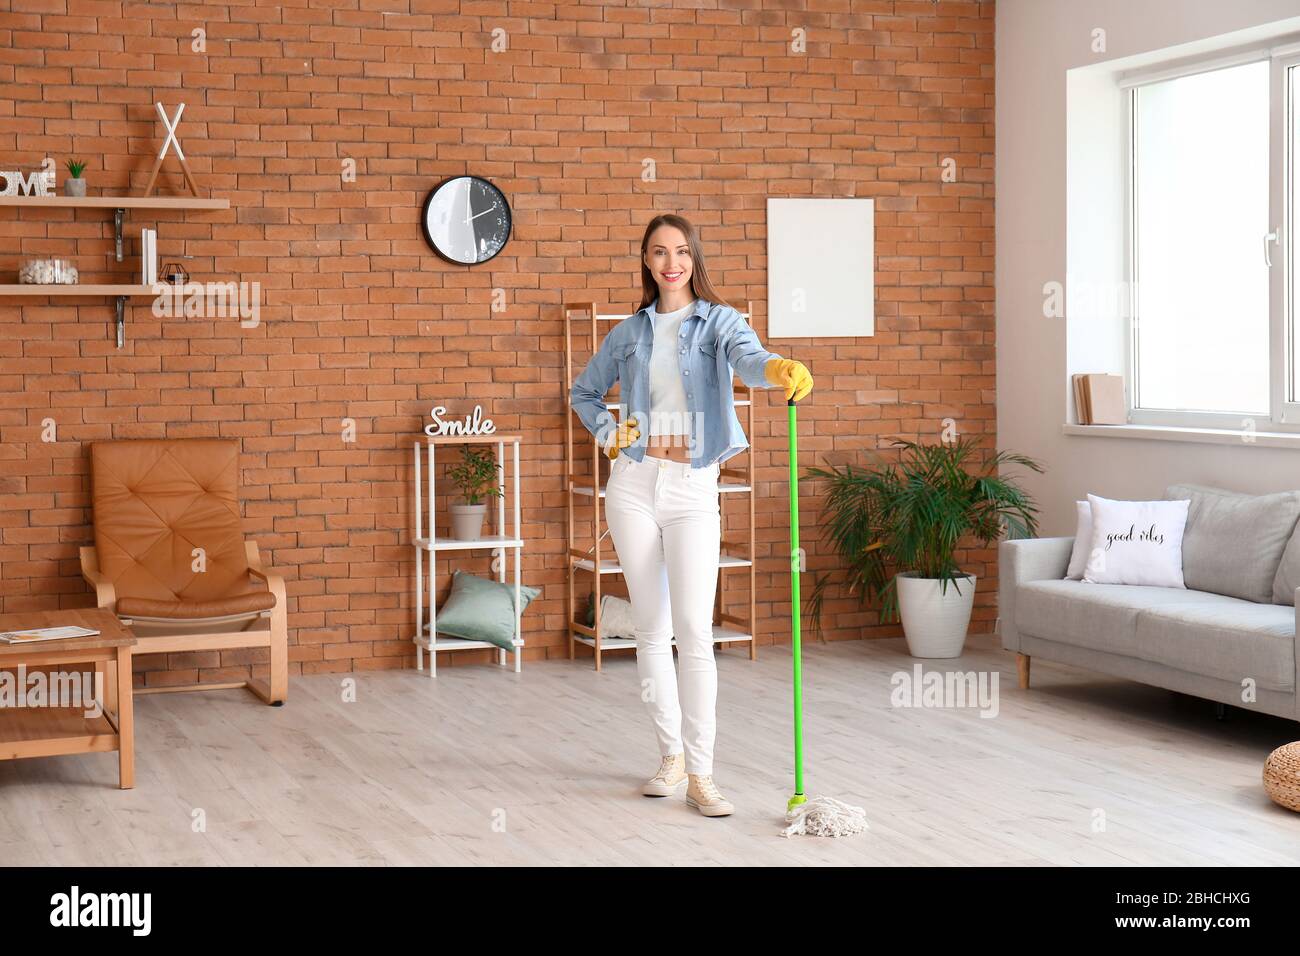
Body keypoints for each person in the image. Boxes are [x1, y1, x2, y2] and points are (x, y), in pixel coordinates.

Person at [570, 213, 813, 817]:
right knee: (651, 631)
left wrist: (778, 369)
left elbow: (750, 360)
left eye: (681, 251)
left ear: (693, 258)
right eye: (659, 252)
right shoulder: (628, 332)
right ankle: (670, 759)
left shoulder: (722, 322)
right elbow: (582, 392)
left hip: (691, 488)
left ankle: (704, 775)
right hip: (632, 483)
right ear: (646, 262)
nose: (671, 262)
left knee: (695, 632)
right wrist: (612, 431)